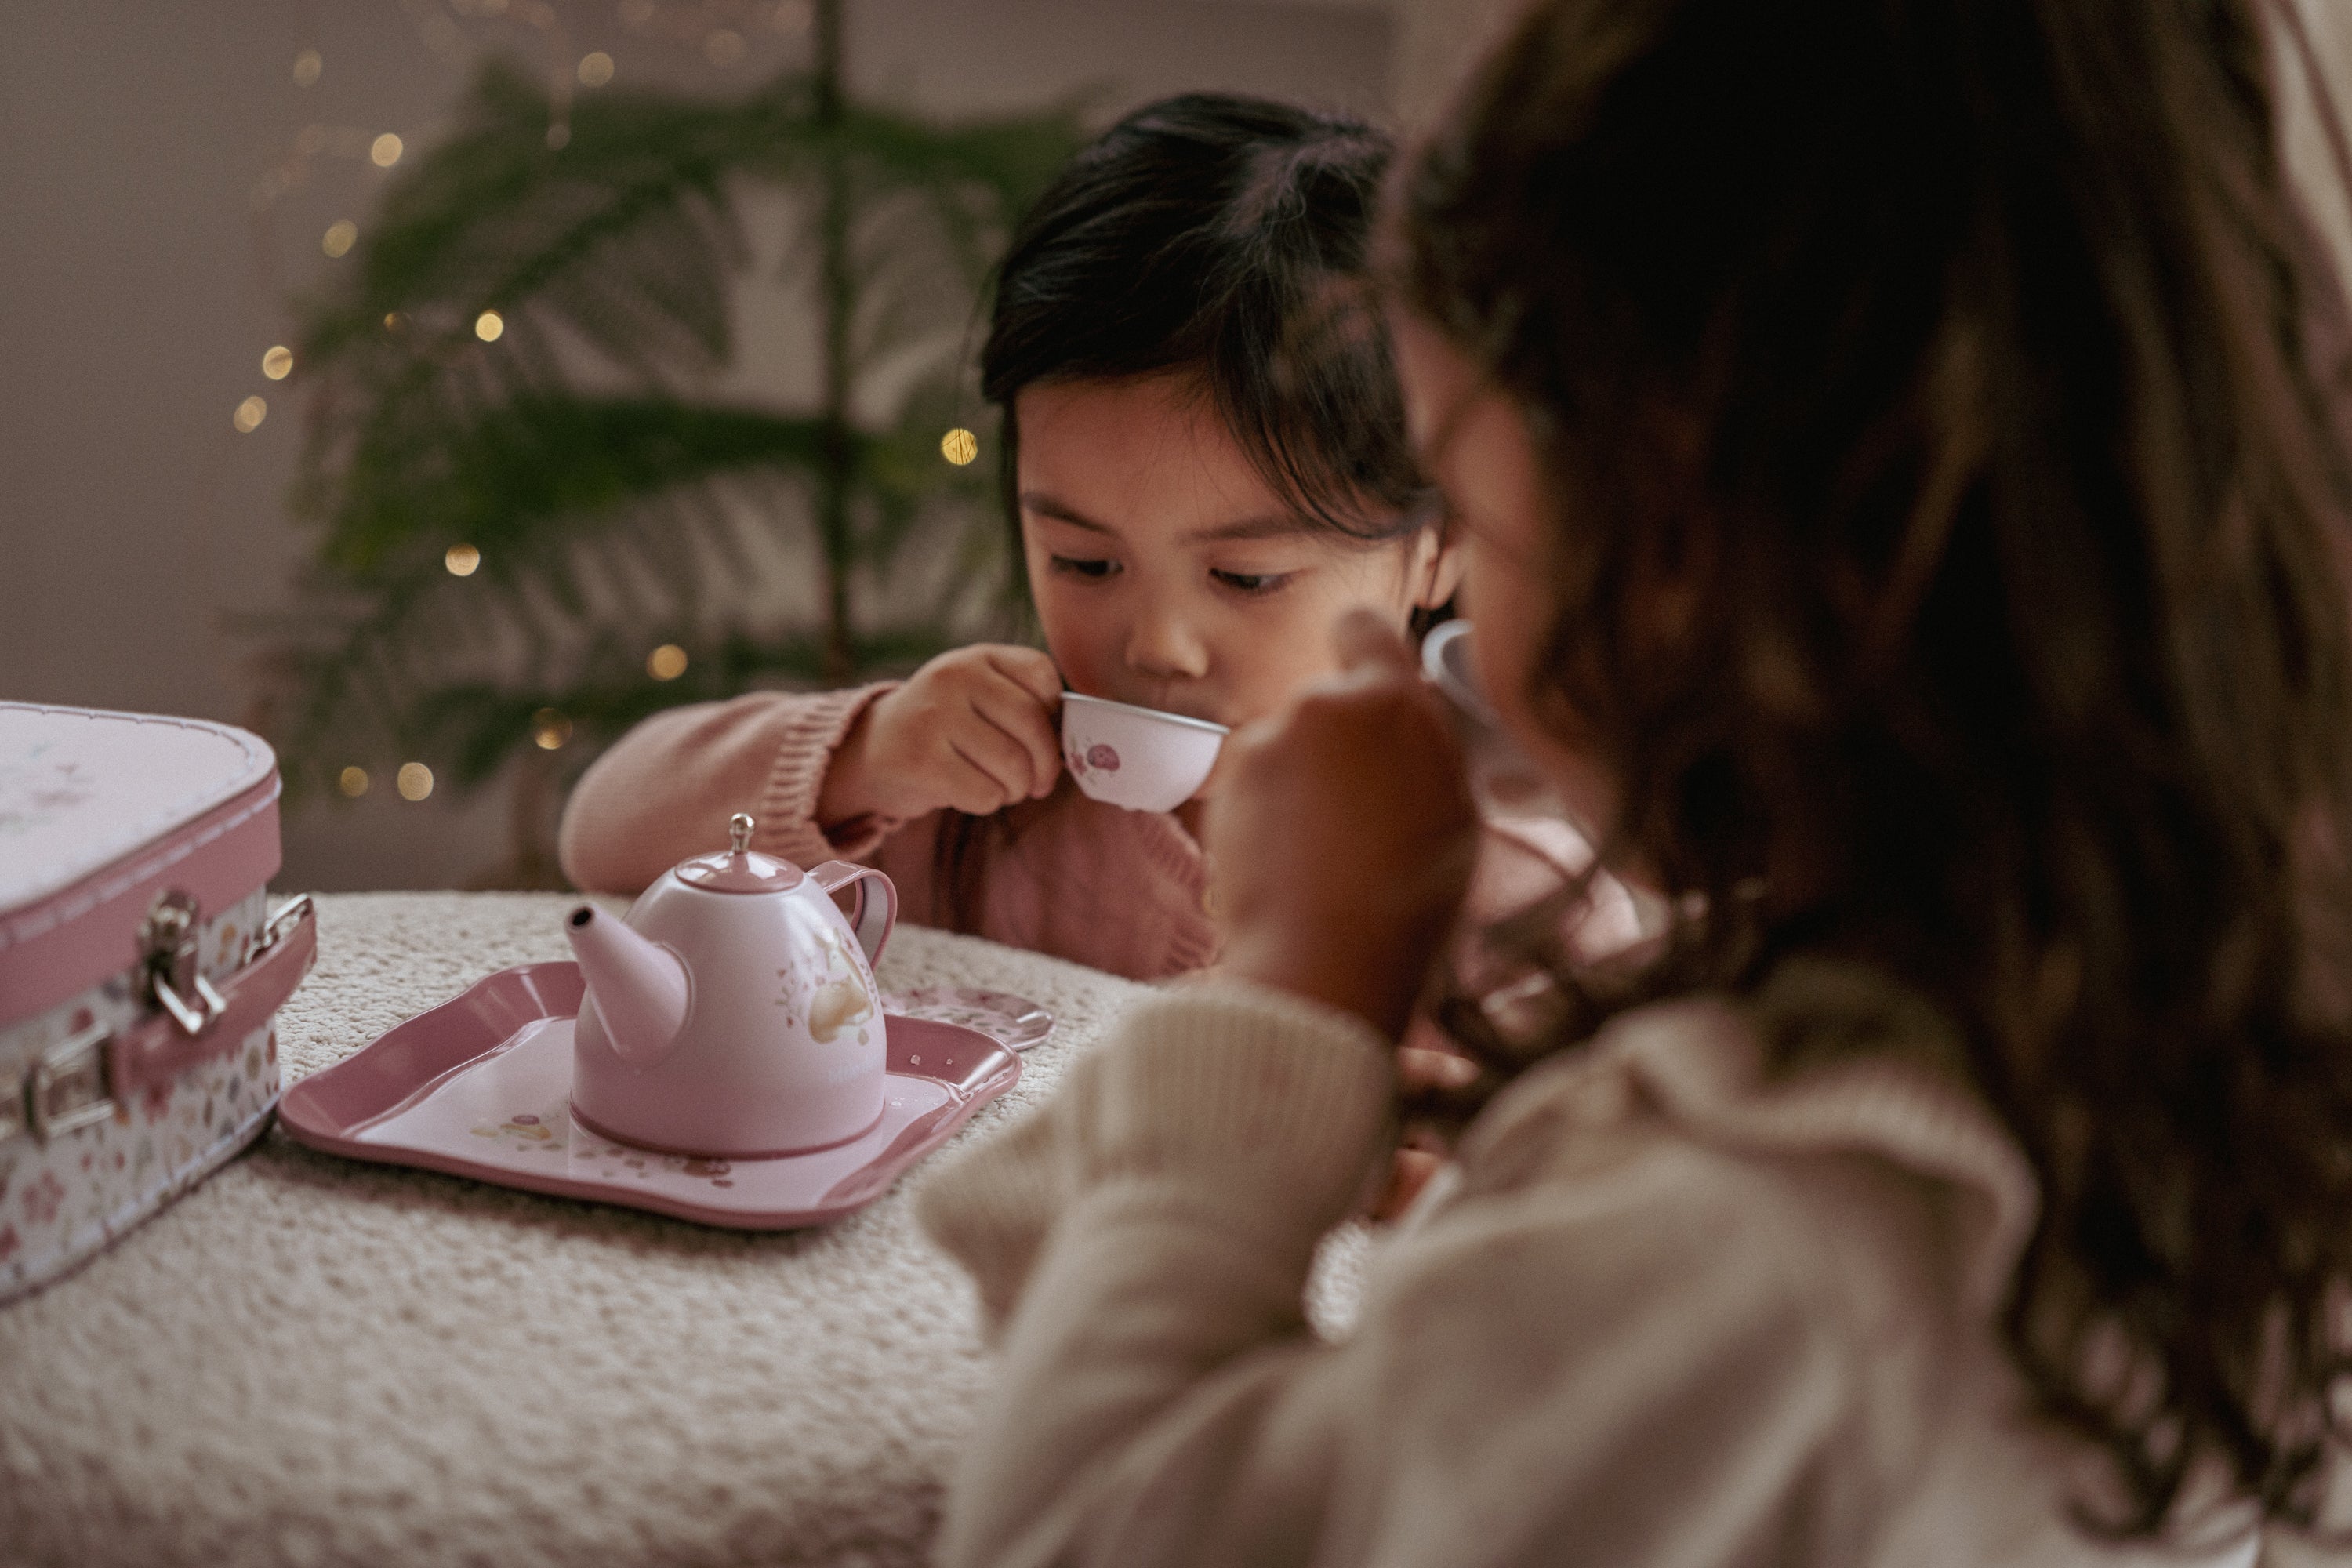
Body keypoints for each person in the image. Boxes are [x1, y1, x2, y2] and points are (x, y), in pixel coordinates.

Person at [913, 0, 2352, 1561]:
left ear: (1664, 544)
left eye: (1468, 494)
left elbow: (1080, 1531)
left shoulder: (1743, 1234)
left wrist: (1295, 982)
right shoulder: (2196, 1050)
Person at [558, 94, 1627, 981]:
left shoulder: (1515, 911)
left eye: (1247, 576)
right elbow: (602, 840)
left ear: (1438, 540)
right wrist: (864, 757)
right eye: (1085, 562)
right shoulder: (985, 807)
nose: (1158, 642)